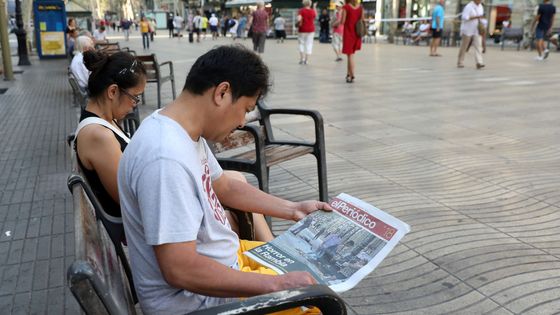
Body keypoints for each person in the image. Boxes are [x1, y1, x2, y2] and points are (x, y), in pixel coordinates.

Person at [117, 45, 332, 314]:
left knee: (316, 271)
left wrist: (293, 209)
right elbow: (179, 269)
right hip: (199, 304)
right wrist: (277, 285)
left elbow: (224, 186)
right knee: (320, 304)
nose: (242, 122)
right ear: (222, 93)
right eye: (245, 109)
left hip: (226, 265)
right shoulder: (165, 157)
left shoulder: (178, 128)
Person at [74, 51, 147, 232]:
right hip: (132, 232)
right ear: (113, 91)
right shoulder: (98, 135)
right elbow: (129, 201)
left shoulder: (105, 120)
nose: (135, 104)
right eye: (135, 97)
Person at [341, 0, 364, 83]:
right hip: (357, 33)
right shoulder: (360, 8)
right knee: (350, 55)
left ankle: (352, 75)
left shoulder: (346, 7)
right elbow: (362, 20)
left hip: (348, 33)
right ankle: (348, 74)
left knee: (350, 55)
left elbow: (342, 21)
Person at [457, 0, 485, 69]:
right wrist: (476, 17)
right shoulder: (468, 7)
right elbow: (464, 17)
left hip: (476, 29)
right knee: (464, 46)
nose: (481, 1)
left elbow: (481, 17)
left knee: (478, 46)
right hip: (467, 29)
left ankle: (479, 62)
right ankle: (460, 62)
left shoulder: (481, 6)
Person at [297, 0, 318, 64]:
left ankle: (302, 59)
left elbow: (299, 19)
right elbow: (316, 16)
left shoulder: (301, 10)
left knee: (301, 43)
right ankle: (306, 60)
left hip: (302, 29)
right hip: (311, 29)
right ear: (310, 4)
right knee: (309, 44)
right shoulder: (312, 11)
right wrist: (314, 7)